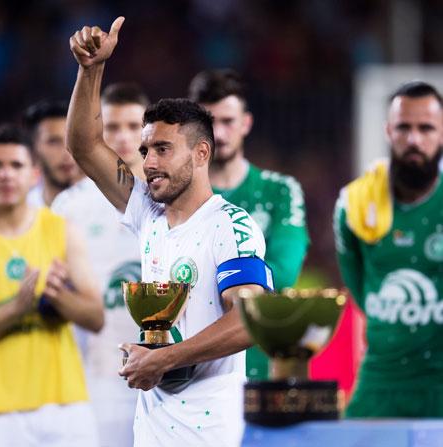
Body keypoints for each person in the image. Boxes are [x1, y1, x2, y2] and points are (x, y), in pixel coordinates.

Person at [67, 18, 273, 446]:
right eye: (145, 151)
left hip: (209, 432)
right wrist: (91, 70)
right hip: (153, 428)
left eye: (163, 149)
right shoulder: (148, 213)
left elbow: (252, 322)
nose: (149, 162)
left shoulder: (230, 226)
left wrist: (163, 360)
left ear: (201, 153)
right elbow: (85, 147)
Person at [0, 123, 104, 446]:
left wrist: (54, 296)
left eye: (16, 165)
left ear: (34, 174)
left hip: (64, 405)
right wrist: (17, 308)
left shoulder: (62, 230)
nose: (6, 175)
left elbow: (95, 316)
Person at [188, 69, 309, 380]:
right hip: (191, 365)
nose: (220, 133)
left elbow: (283, 272)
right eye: (209, 123)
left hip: (262, 363)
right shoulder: (176, 193)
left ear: (246, 123)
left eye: (228, 121)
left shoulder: (280, 190)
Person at [334, 81, 443, 418]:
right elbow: (358, 285)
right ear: (387, 131)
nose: (414, 139)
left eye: (426, 128)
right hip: (381, 380)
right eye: (403, 128)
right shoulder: (353, 204)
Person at [51, 82, 148, 447]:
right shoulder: (69, 206)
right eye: (111, 127)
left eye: (133, 126)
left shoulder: (171, 198)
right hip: (95, 374)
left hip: (163, 367)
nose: (123, 137)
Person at [22, 100, 84, 206]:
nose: (67, 152)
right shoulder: (24, 207)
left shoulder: (108, 205)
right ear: (33, 151)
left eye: (73, 140)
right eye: (54, 142)